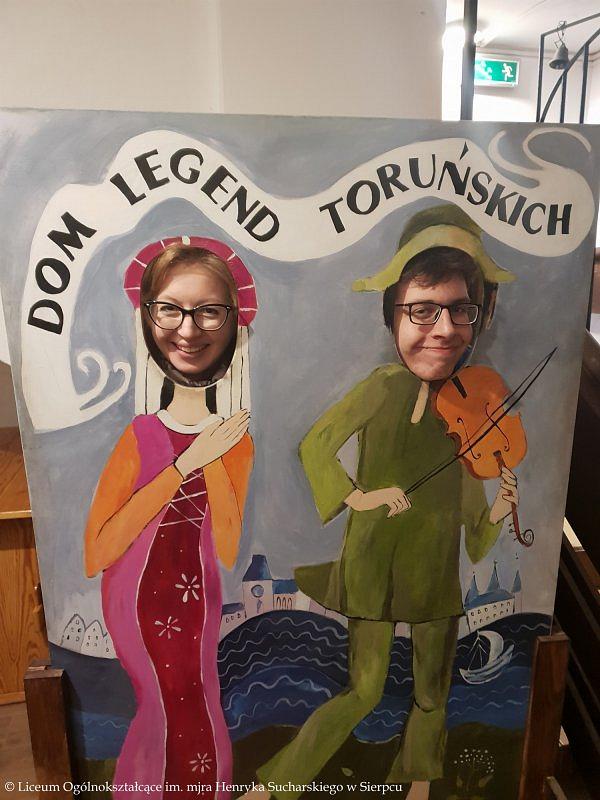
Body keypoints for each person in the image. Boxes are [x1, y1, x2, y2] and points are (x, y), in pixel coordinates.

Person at [246, 205, 519, 800]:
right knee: (363, 691)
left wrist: (499, 509)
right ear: (392, 312)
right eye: (422, 310)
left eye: (460, 310)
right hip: (373, 568)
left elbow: (475, 532)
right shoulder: (383, 387)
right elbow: (316, 445)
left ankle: (414, 786)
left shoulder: (469, 412)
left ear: (480, 315)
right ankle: (276, 786)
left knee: (432, 694)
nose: (443, 329)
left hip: (435, 579)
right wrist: (360, 495)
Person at [85, 238, 257, 800]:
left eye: (208, 311)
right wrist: (185, 464)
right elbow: (98, 550)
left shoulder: (236, 442)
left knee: (200, 706)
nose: (188, 329)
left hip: (199, 598)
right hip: (138, 599)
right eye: (170, 310)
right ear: (149, 317)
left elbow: (227, 547)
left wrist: (213, 456)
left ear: (232, 323)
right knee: (164, 708)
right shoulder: (141, 436)